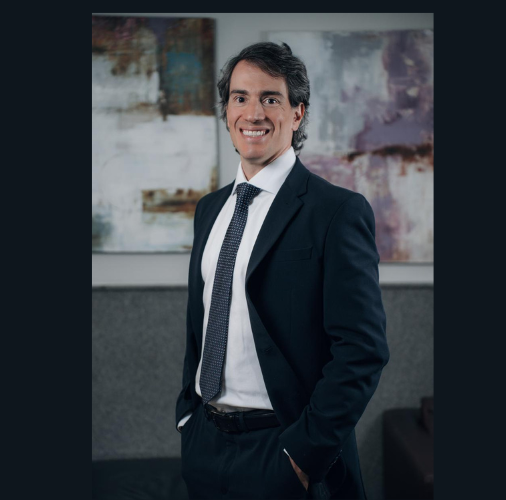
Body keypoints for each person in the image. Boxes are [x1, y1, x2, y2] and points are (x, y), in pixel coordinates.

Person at [175, 41, 389, 500]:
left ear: (297, 113)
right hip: (205, 445)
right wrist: (187, 418)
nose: (253, 113)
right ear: (227, 112)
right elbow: (201, 322)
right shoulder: (209, 209)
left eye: (270, 98)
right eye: (240, 97)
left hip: (285, 451)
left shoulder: (336, 211)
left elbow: (362, 350)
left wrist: (303, 455)